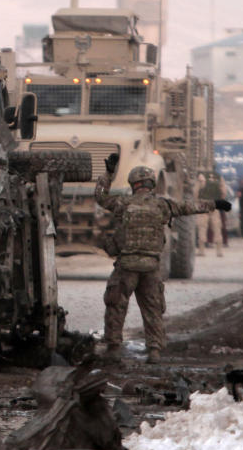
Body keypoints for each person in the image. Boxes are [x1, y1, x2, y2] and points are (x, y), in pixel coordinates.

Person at [95, 155, 229, 364]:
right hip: (151, 267)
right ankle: (154, 351)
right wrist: (215, 204)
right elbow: (189, 207)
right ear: (151, 184)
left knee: (116, 306)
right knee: (153, 310)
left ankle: (113, 348)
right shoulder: (163, 205)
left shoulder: (123, 203)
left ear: (133, 184)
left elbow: (100, 197)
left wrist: (108, 174)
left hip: (127, 266)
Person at [196, 173, 224, 257]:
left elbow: (196, 192)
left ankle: (201, 250)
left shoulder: (200, 176)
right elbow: (223, 192)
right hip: (214, 204)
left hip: (203, 203)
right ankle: (219, 251)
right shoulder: (218, 177)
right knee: (216, 227)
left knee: (202, 227)